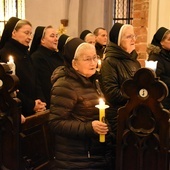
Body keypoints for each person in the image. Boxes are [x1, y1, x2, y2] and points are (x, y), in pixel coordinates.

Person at [48, 38, 113, 169]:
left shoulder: (93, 80)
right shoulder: (65, 85)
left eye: (95, 58)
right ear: (74, 64)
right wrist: (89, 127)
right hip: (75, 159)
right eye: (87, 59)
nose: (93, 62)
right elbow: (55, 123)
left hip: (93, 154)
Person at [100, 22, 141, 168]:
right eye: (128, 36)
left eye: (133, 35)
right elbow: (112, 93)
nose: (133, 39)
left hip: (134, 114)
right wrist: (137, 97)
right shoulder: (110, 62)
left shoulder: (134, 61)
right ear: (118, 40)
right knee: (120, 156)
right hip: (118, 117)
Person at [0, 18, 46, 116]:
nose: (29, 37)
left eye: (30, 34)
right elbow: (10, 86)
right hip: (19, 110)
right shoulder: (4, 54)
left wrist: (40, 102)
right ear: (14, 32)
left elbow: (36, 79)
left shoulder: (26, 53)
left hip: (34, 108)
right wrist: (31, 105)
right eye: (26, 33)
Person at [30, 25, 64, 109]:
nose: (56, 39)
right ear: (42, 40)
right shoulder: (37, 57)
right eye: (52, 36)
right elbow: (45, 84)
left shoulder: (58, 55)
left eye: (57, 36)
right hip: (53, 103)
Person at [147, 27, 170, 110]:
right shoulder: (155, 57)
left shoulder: (167, 55)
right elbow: (158, 78)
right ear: (161, 42)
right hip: (163, 102)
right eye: (169, 39)